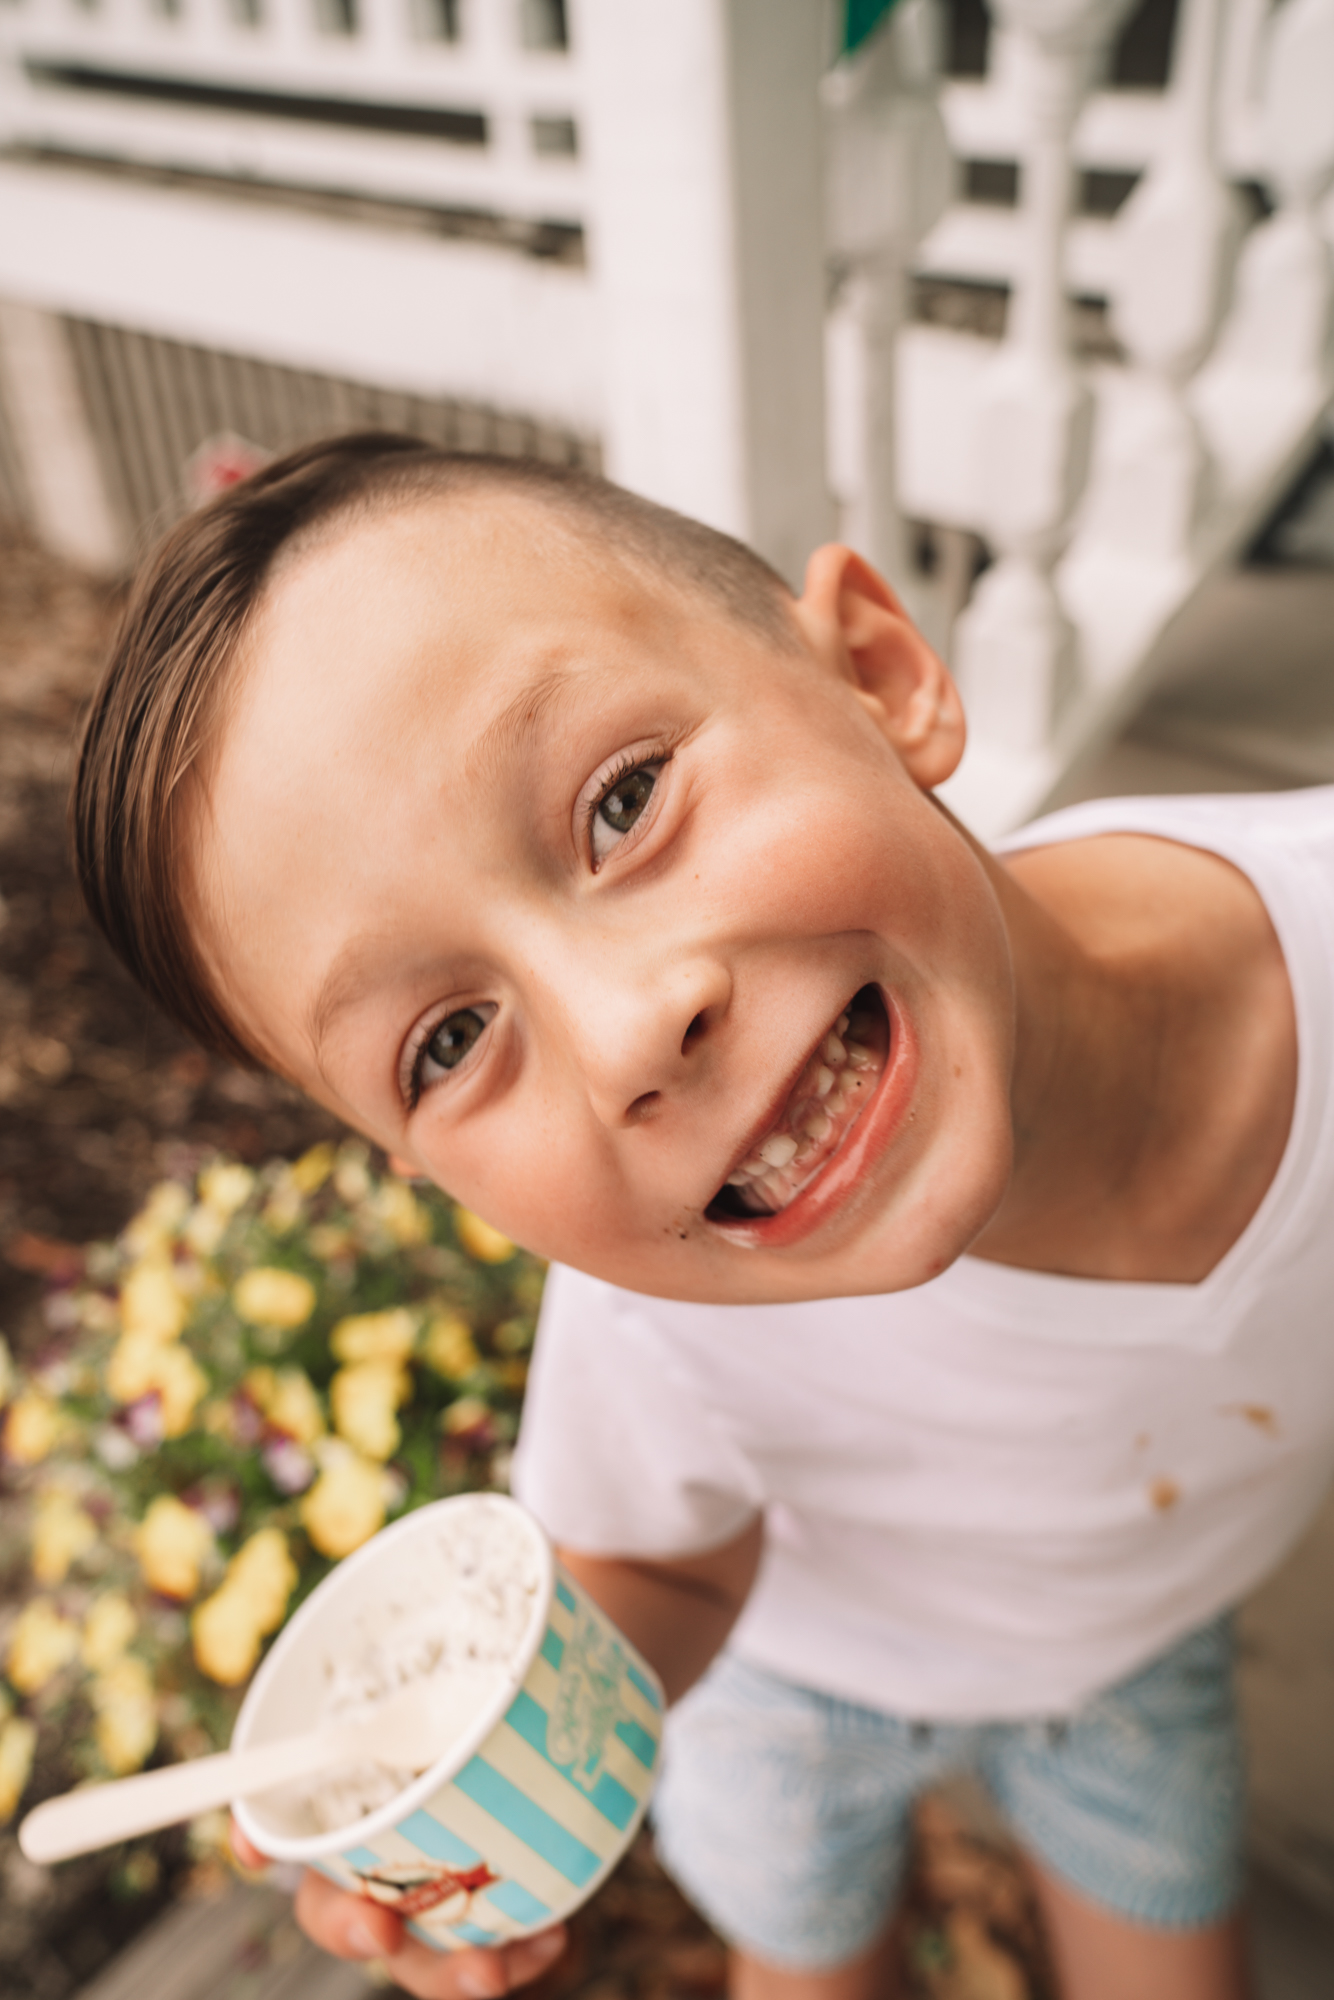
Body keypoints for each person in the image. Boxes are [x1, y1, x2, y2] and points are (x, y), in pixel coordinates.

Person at [73, 432, 1332, 2000]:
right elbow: (663, 1572)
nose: (623, 1036)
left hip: (1129, 1660)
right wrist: (480, 1768)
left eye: (622, 803)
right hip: (791, 1697)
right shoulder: (656, 1314)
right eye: (448, 1042)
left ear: (878, 672)